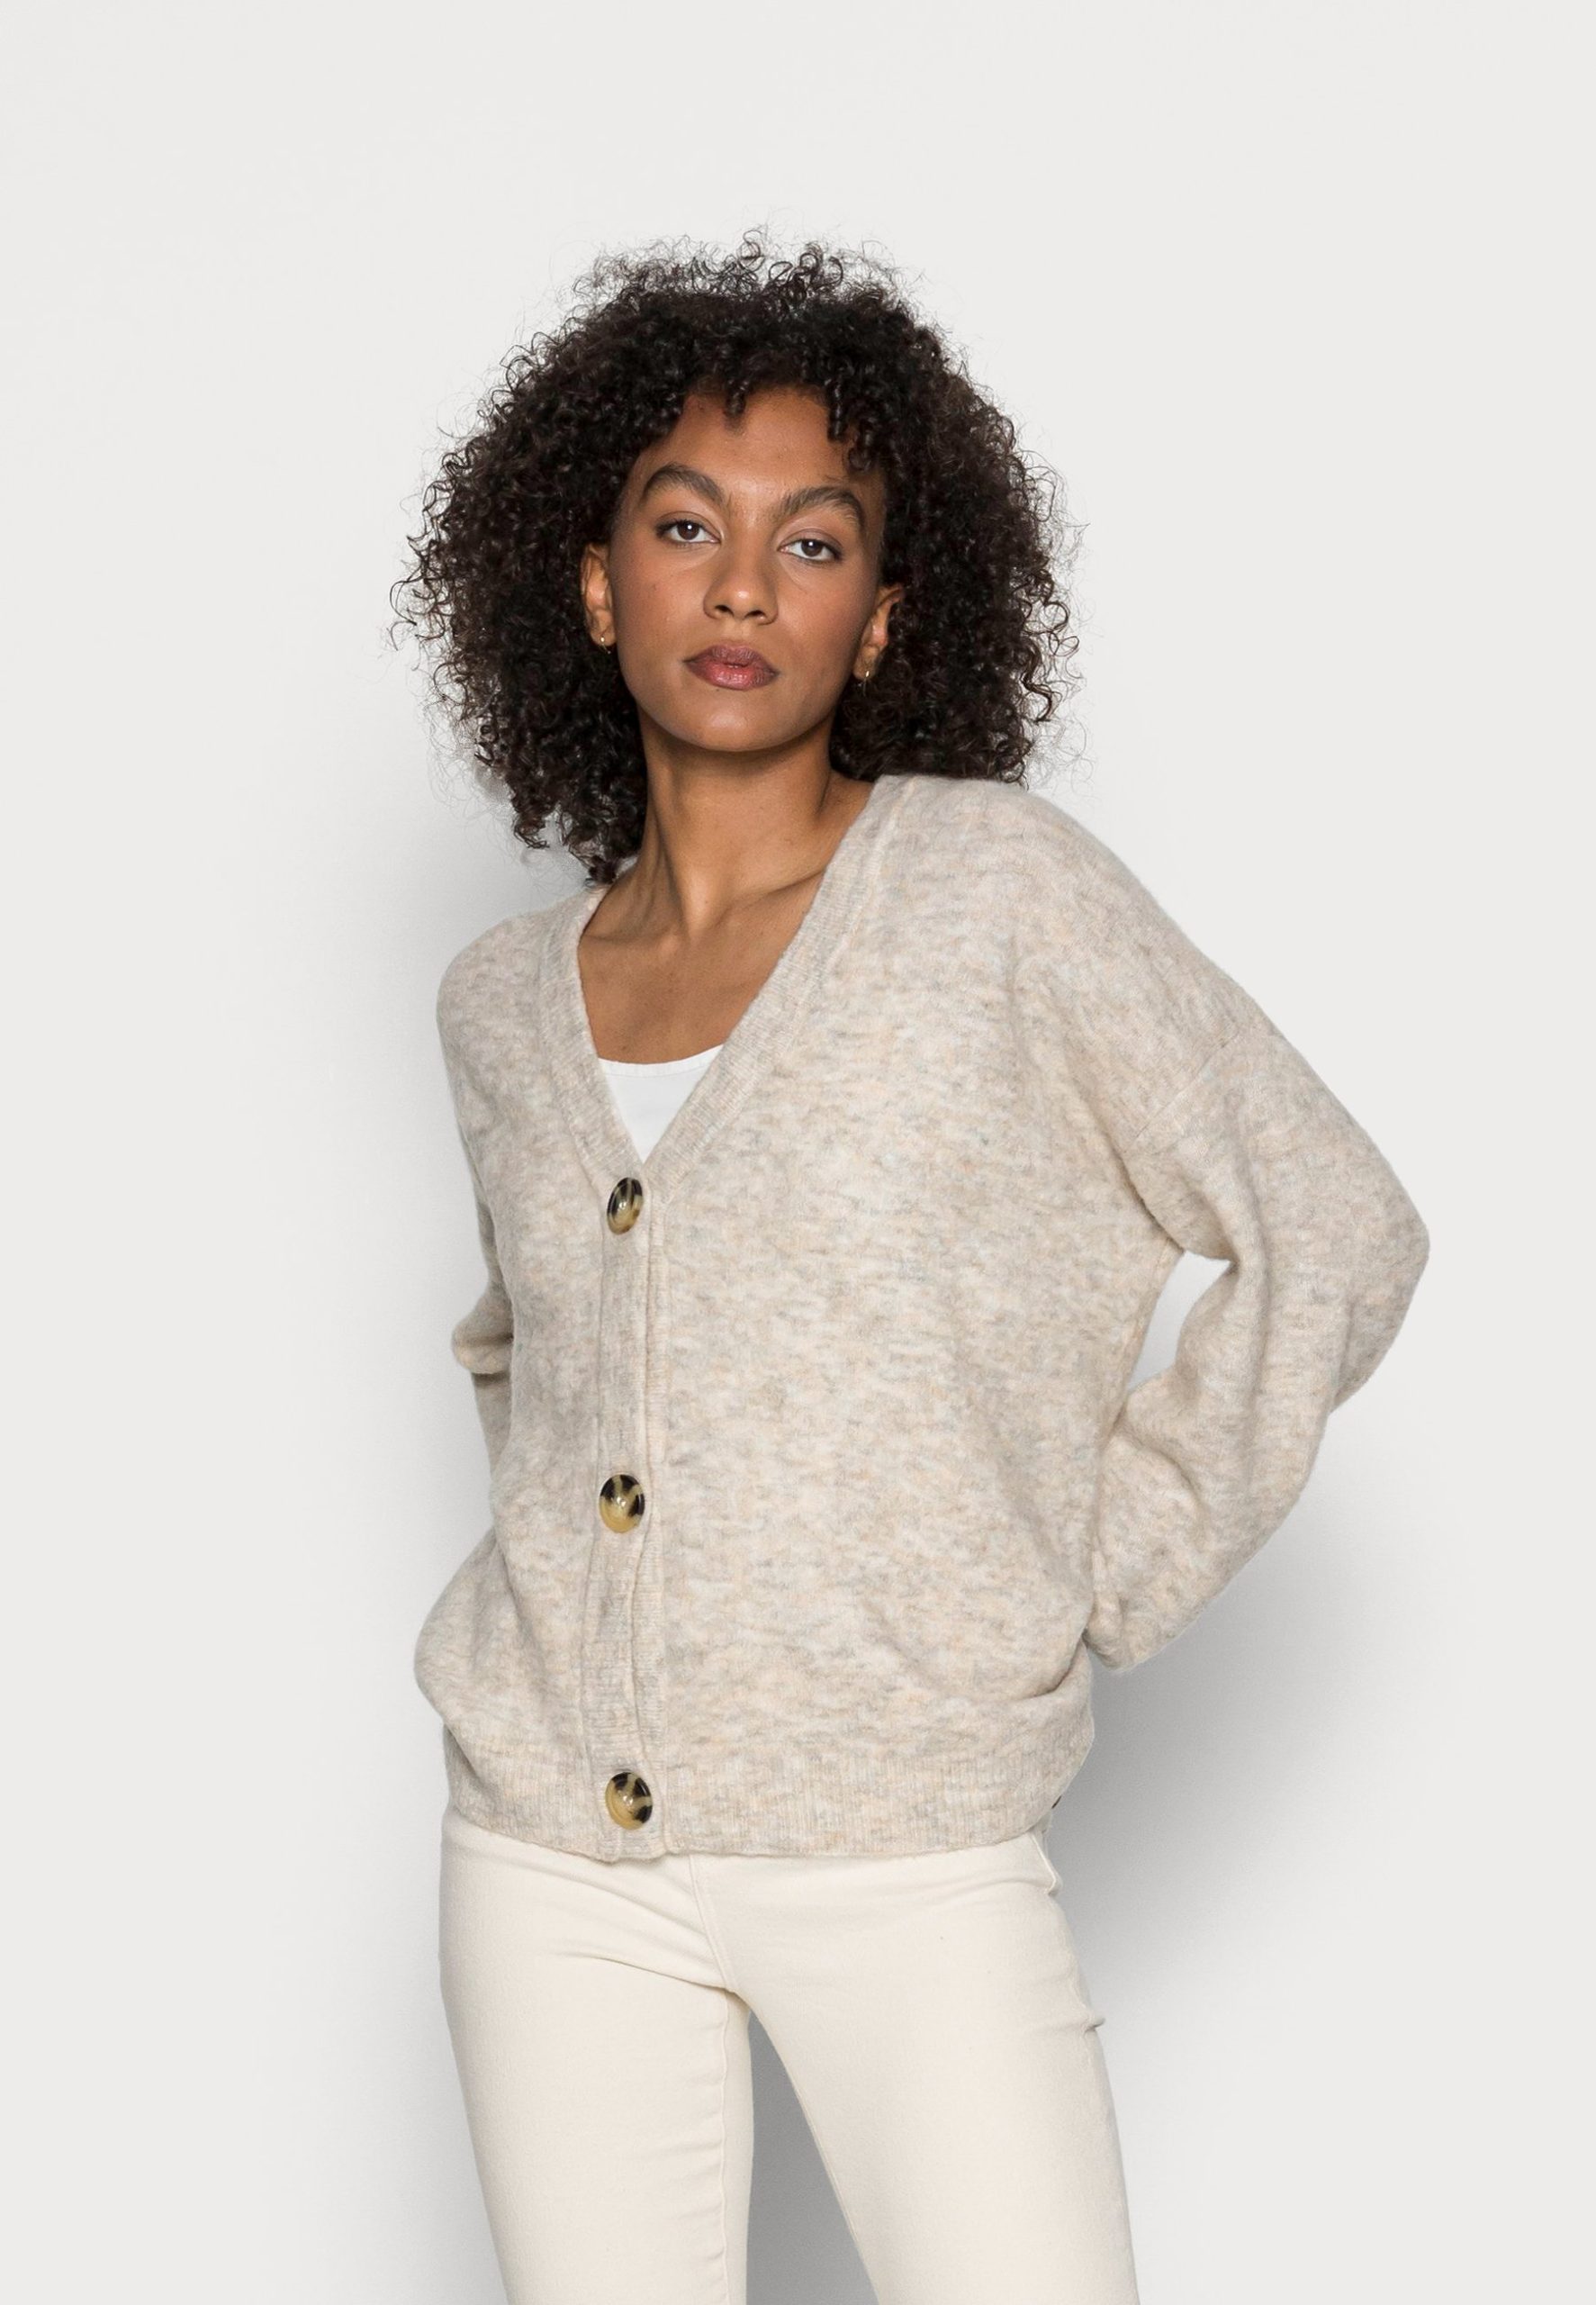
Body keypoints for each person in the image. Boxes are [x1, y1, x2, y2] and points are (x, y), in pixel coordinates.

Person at [390, 233, 1429, 2305]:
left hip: (903, 1841)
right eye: (682, 525)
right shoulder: (501, 998)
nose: (739, 587)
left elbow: (1333, 1223)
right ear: (590, 584)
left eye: (811, 539)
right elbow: (547, 1348)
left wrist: (1080, 1562)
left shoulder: (994, 895)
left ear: (877, 617)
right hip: (548, 1859)